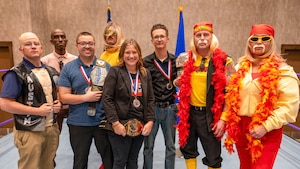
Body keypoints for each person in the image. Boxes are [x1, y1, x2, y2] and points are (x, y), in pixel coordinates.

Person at [222, 24, 299, 169]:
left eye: (264, 38)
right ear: (249, 43)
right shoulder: (239, 69)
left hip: (268, 129)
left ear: (271, 42)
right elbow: (230, 97)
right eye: (254, 39)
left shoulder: (283, 71)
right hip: (241, 127)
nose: (259, 42)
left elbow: (289, 107)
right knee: (245, 166)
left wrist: (265, 126)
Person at [174, 22, 236, 169]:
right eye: (198, 35)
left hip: (211, 114)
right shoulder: (185, 59)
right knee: (188, 150)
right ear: (194, 38)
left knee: (213, 156)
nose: (202, 38)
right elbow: (179, 82)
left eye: (205, 35)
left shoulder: (224, 60)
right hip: (189, 113)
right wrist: (178, 82)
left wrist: (223, 119)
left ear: (212, 37)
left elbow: (232, 92)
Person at [0, 32, 61, 169]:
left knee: (48, 165)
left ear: (41, 47)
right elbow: (4, 103)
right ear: (21, 49)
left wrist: (58, 104)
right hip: (29, 130)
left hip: (51, 127)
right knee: (30, 166)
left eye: (36, 43)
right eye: (28, 44)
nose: (33, 47)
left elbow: (51, 95)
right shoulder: (15, 73)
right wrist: (36, 111)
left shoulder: (51, 71)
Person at [58, 32, 113, 169]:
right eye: (83, 43)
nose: (87, 46)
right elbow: (64, 97)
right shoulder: (69, 68)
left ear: (95, 45)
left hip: (102, 121)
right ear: (77, 46)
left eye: (90, 43)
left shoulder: (105, 66)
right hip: (78, 122)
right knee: (80, 161)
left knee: (109, 159)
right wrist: (85, 98)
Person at [103, 39, 155, 169]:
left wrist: (150, 121)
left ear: (139, 54)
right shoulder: (115, 71)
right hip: (120, 124)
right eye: (127, 52)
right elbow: (107, 98)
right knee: (120, 161)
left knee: (133, 161)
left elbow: (150, 99)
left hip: (139, 125)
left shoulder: (145, 73)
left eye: (134, 52)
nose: (131, 56)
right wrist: (115, 123)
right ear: (122, 54)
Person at [143, 23, 177, 169]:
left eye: (162, 36)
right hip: (152, 109)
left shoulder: (176, 61)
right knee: (148, 146)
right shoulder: (145, 62)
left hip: (170, 108)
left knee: (170, 147)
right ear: (152, 40)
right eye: (156, 37)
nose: (159, 39)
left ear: (167, 39)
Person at [41, 28, 77, 132]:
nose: (60, 39)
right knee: (54, 134)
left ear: (66, 40)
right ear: (51, 41)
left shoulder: (75, 60)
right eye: (56, 37)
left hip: (73, 103)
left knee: (77, 135)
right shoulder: (44, 61)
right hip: (54, 104)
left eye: (62, 37)